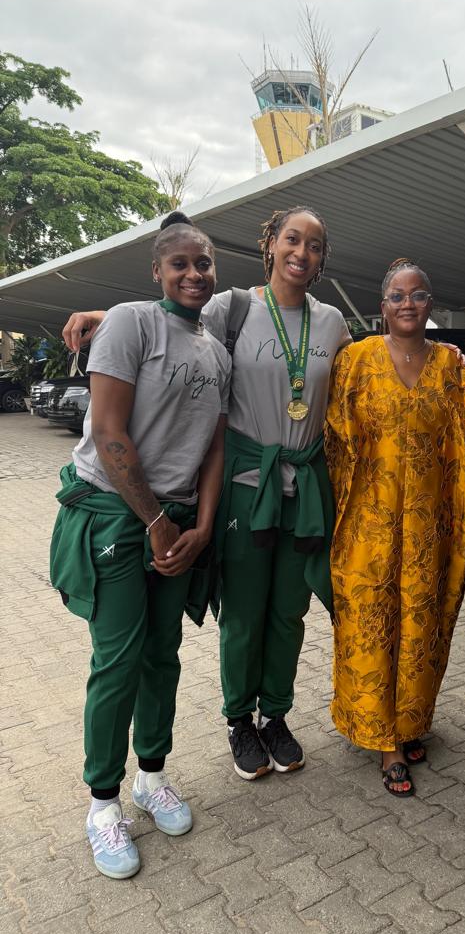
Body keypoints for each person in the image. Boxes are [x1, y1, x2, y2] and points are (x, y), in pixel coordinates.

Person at [63, 206, 352, 781]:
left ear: (322, 259)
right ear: (270, 245)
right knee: (242, 611)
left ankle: (275, 714)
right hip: (245, 483)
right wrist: (104, 315)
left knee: (288, 612)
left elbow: (362, 373)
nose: (302, 252)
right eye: (292, 239)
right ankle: (239, 719)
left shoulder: (333, 323)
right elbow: (174, 316)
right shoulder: (233, 307)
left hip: (303, 484)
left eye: (315, 245)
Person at [50, 211, 231, 878]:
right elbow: (108, 433)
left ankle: (151, 778)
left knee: (163, 655)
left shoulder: (217, 351)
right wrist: (156, 522)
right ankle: (103, 804)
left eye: (203, 263)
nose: (193, 273)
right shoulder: (130, 323)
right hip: (116, 516)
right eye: (179, 263)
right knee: (118, 660)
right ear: (157, 270)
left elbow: (214, 448)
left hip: (177, 522)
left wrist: (201, 528)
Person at [325, 259, 465, 796]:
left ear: (430, 304)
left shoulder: (451, 366)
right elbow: (334, 436)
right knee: (372, 623)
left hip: (426, 525)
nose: (407, 304)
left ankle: (411, 720)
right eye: (397, 296)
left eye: (418, 295)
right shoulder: (356, 359)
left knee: (421, 623)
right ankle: (384, 739)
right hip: (368, 522)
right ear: (382, 306)